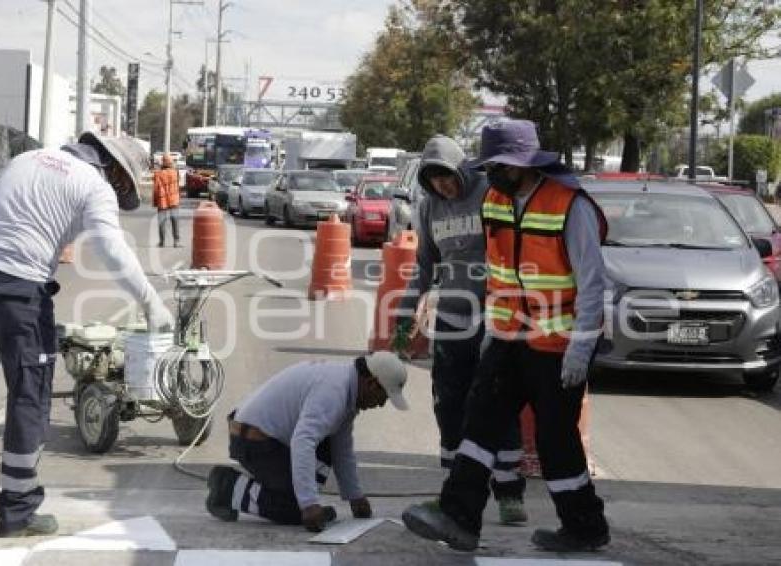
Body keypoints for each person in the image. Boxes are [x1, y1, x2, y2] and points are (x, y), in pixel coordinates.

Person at [0, 132, 173, 537]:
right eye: (124, 186)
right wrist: (151, 302)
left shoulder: (27, 159)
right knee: (29, 396)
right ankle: (19, 512)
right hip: (20, 290)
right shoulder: (93, 185)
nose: (119, 194)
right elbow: (110, 247)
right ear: (113, 169)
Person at [402, 119, 610, 552]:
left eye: (498, 164)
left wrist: (581, 348)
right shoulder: (496, 200)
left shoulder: (570, 207)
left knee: (557, 442)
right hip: (506, 338)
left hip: (557, 345)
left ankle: (585, 526)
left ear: (523, 164)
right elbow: (498, 276)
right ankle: (458, 515)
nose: (490, 173)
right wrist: (491, 332)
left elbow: (592, 285)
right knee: (481, 420)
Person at [392, 135, 527, 525]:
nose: (443, 186)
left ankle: (509, 493)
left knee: (495, 404)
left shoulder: (491, 194)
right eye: (434, 180)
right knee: (449, 405)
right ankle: (455, 489)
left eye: (447, 177)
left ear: (460, 169)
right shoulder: (430, 207)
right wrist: (404, 321)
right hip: (451, 320)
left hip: (495, 316)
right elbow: (423, 267)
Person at [205, 351, 408, 532]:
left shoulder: (346, 389)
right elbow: (303, 442)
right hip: (252, 442)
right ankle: (228, 487)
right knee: (293, 509)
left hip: (266, 439)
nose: (381, 404)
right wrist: (309, 504)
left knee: (327, 447)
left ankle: (287, 491)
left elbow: (342, 450)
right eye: (384, 397)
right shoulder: (334, 392)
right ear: (371, 383)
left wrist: (354, 496)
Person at [152, 153, 182, 247]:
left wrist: (155, 201)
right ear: (171, 163)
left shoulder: (158, 174)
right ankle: (176, 242)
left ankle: (162, 242)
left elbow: (156, 188)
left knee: (161, 222)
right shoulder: (175, 172)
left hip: (162, 200)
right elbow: (179, 181)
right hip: (174, 200)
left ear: (163, 163)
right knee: (175, 220)